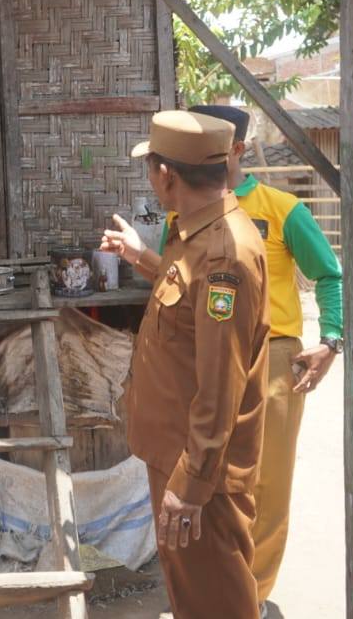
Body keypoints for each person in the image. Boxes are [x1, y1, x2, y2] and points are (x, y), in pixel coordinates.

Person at [165, 106, 341, 609]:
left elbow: (329, 275)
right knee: (207, 479)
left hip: (275, 358)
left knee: (265, 482)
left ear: (237, 150)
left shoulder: (282, 209)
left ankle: (254, 594)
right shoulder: (181, 215)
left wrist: (331, 340)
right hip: (204, 359)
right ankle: (217, 587)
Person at [100, 110, 270, 619]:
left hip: (200, 472)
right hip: (178, 456)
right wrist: (142, 258)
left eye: (151, 169)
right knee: (193, 596)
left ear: (167, 175)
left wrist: (192, 486)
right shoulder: (197, 233)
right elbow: (187, 306)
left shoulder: (224, 257)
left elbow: (221, 384)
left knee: (216, 600)